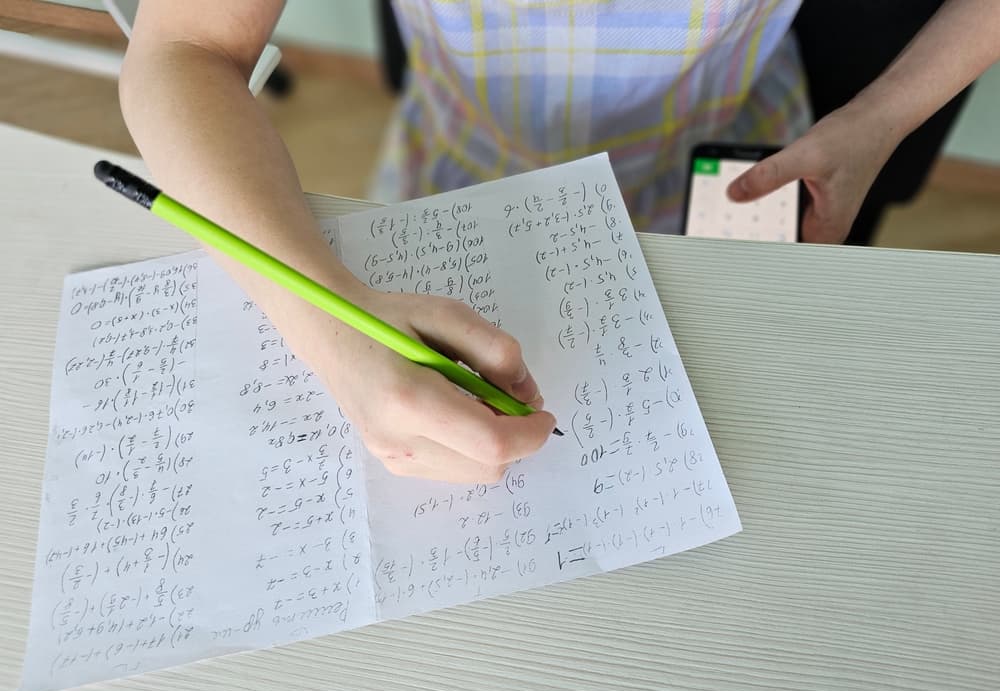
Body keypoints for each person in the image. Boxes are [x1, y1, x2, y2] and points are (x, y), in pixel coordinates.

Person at [119, 0, 1000, 484]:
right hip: (458, 186)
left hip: (732, 178)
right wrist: (335, 327)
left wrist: (882, 120)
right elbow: (185, 45)